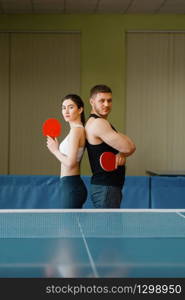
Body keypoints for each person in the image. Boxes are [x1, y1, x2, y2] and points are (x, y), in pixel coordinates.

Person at [85, 84, 136, 208]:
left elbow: (129, 146)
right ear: (92, 102)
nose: (106, 104)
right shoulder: (99, 123)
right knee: (107, 227)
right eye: (102, 100)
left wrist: (122, 153)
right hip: (106, 188)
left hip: (107, 188)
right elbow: (129, 147)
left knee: (108, 227)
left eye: (109, 100)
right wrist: (124, 150)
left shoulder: (101, 122)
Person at [46, 94, 87, 208]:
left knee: (69, 225)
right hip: (70, 184)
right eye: (63, 108)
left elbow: (70, 163)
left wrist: (55, 150)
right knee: (71, 225)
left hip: (71, 185)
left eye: (70, 107)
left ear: (80, 109)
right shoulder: (77, 130)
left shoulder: (76, 131)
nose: (66, 111)